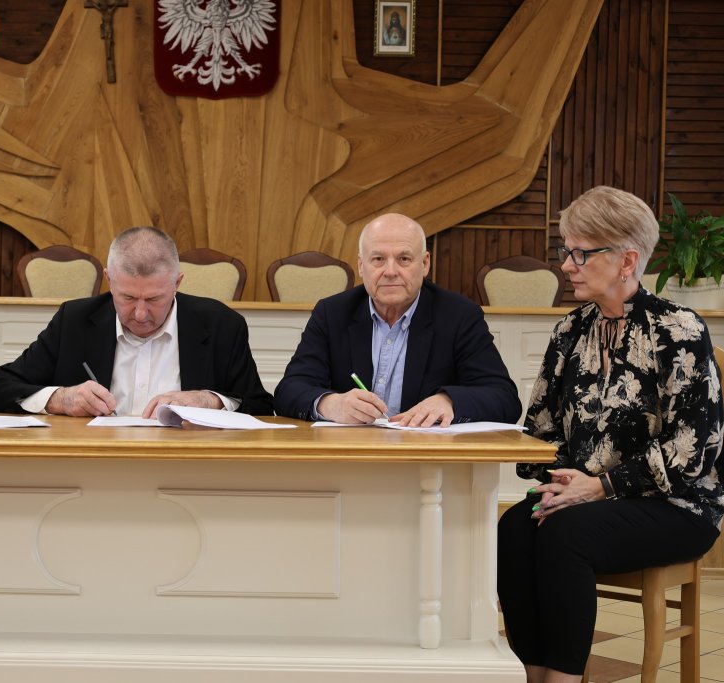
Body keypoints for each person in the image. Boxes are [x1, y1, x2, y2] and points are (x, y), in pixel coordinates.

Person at [497, 186, 723, 683]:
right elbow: (541, 428)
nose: (567, 265)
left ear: (628, 260)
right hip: (584, 499)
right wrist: (561, 480)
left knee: (565, 535)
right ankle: (533, 674)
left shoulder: (678, 330)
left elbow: (690, 451)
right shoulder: (569, 331)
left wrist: (599, 487)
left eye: (582, 253)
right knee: (513, 528)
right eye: (566, 251)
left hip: (676, 505)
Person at [0, 226, 273, 417]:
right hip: (93, 468)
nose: (140, 314)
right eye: (128, 297)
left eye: (154, 299)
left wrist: (210, 402)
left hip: (187, 470)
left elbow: (260, 406)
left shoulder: (221, 325)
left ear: (177, 283)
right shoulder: (74, 321)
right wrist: (60, 399)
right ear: (109, 280)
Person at [273, 213, 520, 426]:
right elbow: (288, 390)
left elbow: (505, 398)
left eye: (404, 259)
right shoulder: (332, 313)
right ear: (361, 265)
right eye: (378, 259)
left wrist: (449, 401)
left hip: (428, 458)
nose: (390, 272)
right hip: (350, 455)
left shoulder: (459, 316)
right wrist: (331, 404)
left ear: (425, 264)